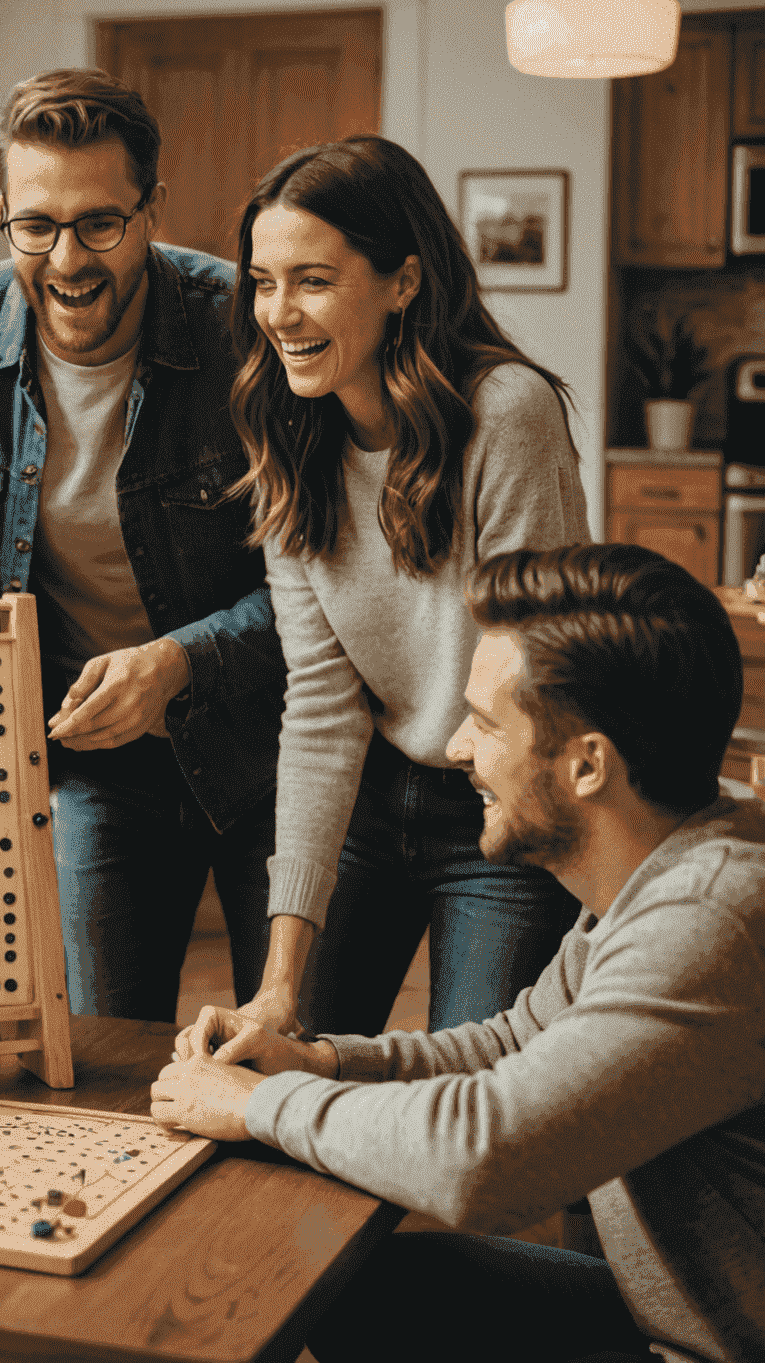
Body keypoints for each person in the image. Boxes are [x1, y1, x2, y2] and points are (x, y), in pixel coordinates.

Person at [153, 543, 762, 1363]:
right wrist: (316, 1060)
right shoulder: (655, 872)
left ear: (588, 765)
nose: (455, 749)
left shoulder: (708, 916)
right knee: (342, 1282)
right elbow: (513, 1045)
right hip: (658, 1326)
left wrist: (255, 1106)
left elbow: (486, 1158)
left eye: (485, 721)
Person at [0, 68, 286, 1023]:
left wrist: (179, 662)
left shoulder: (242, 333)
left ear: (151, 209)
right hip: (84, 756)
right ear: (4, 209)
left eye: (100, 223)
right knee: (100, 1044)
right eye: (36, 225)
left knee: (287, 1045)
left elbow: (318, 581)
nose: (67, 259)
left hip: (270, 744)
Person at [224, 135, 587, 1039]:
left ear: (404, 282)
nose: (279, 313)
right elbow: (319, 702)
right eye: (263, 282)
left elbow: (529, 663)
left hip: (503, 801)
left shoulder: (507, 414)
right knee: (284, 1052)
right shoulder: (286, 437)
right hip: (373, 801)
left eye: (312, 280)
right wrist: (278, 981)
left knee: (480, 1104)